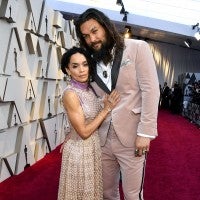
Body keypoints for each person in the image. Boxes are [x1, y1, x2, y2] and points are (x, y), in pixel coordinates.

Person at [75, 8, 160, 200]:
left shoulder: (137, 48)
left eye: (95, 31)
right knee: (106, 193)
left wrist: (145, 133)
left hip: (132, 137)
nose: (92, 39)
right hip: (103, 138)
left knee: (132, 195)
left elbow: (151, 90)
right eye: (86, 36)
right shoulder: (88, 62)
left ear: (106, 26)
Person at [57, 46, 120, 200]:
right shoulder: (70, 94)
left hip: (93, 149)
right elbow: (84, 132)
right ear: (67, 70)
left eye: (85, 64)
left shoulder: (90, 89)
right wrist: (106, 109)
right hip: (79, 152)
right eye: (75, 66)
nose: (81, 70)